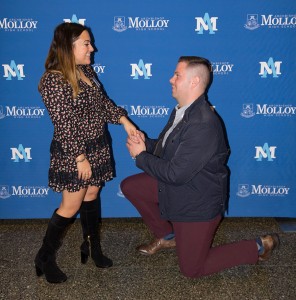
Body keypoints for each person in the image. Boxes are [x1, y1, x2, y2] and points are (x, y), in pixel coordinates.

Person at [120, 56, 279, 278]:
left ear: (194, 81)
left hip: (197, 202)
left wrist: (140, 156)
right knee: (131, 186)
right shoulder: (183, 111)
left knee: (193, 269)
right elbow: (170, 151)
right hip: (181, 186)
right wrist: (145, 144)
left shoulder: (203, 123)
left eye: (177, 75)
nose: (170, 79)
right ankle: (168, 237)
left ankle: (258, 246)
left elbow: (175, 173)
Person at [35, 22, 137, 283]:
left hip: (98, 145)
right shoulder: (53, 80)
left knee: (92, 192)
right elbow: (64, 123)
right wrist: (80, 158)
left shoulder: (86, 71)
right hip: (74, 152)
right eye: (86, 43)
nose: (93, 48)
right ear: (69, 47)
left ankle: (92, 246)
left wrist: (125, 122)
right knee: (70, 206)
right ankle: (44, 257)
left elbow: (103, 104)